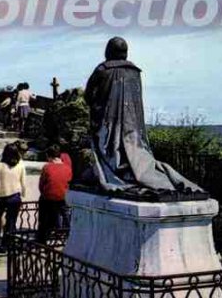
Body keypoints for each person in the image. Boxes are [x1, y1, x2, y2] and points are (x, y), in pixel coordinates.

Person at [84, 37, 204, 198]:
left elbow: (88, 96)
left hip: (108, 124)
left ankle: (111, 172)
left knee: (106, 148)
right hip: (133, 127)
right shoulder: (135, 72)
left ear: (108, 51)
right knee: (138, 155)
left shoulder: (102, 70)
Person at [0, 143, 27, 252]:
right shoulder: (20, 165)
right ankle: (6, 244)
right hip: (15, 196)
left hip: (2, 196)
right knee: (11, 222)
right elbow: (23, 182)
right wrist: (23, 195)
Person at [36, 144, 72, 243]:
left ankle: (42, 238)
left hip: (48, 197)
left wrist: (44, 192)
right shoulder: (67, 168)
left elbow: (41, 184)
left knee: (43, 218)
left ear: (48, 156)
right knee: (64, 212)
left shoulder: (47, 167)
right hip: (63, 197)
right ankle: (66, 233)